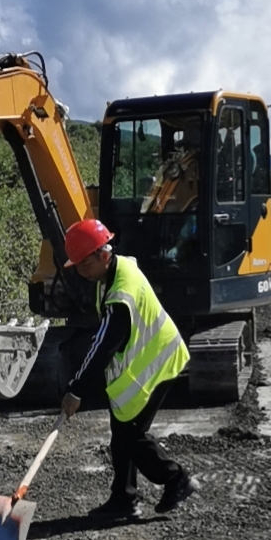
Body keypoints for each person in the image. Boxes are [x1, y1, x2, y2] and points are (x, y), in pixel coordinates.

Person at [60, 219, 200, 521]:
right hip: (142, 365)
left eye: (84, 266)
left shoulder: (120, 293)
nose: (82, 273)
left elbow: (102, 346)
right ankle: (124, 498)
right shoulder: (115, 272)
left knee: (131, 436)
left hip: (159, 362)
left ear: (103, 255)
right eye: (78, 267)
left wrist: (76, 390)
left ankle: (177, 479)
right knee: (121, 434)